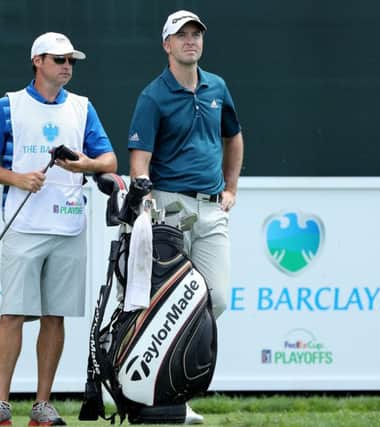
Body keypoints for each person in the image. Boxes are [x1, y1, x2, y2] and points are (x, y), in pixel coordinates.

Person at [0, 32, 117, 426]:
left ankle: (42, 405)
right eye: (59, 59)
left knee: (55, 317)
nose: (67, 66)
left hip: (68, 224)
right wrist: (16, 178)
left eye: (71, 60)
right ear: (38, 61)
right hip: (24, 223)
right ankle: (1, 404)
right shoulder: (8, 107)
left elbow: (109, 158)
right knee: (13, 314)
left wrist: (84, 165)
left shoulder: (83, 108)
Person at [127, 10, 244, 423]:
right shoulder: (153, 96)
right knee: (165, 304)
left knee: (216, 300)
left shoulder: (218, 87)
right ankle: (169, 399)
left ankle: (174, 389)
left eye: (196, 35)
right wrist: (144, 200)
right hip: (168, 207)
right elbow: (139, 161)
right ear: (167, 45)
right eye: (182, 36)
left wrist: (231, 188)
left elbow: (233, 135)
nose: (191, 41)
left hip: (211, 208)